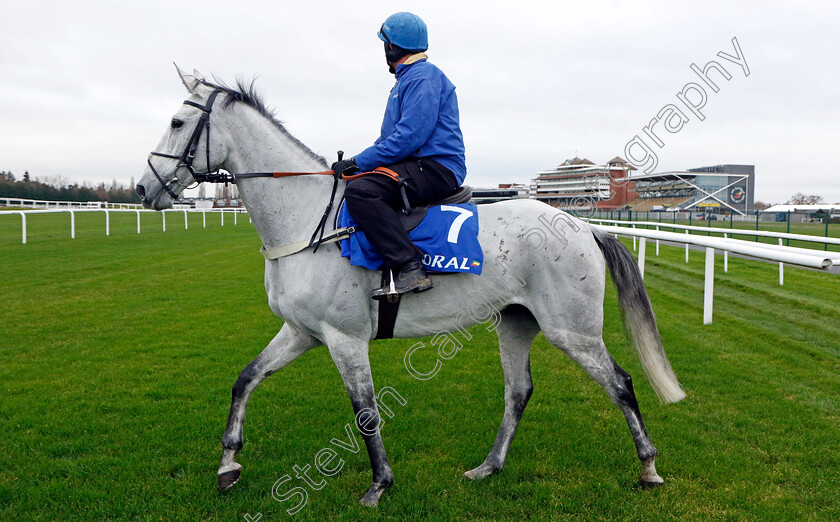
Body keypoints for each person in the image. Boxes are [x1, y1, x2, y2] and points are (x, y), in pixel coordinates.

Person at [331, 11, 467, 300]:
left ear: (391, 47)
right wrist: (356, 163)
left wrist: (359, 164)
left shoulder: (423, 77)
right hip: (418, 163)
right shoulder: (408, 80)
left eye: (384, 43)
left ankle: (409, 267)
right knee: (360, 180)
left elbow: (409, 137)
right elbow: (390, 140)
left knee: (361, 192)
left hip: (436, 167)